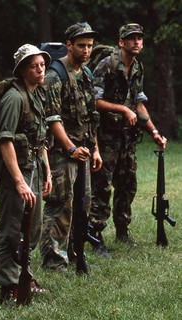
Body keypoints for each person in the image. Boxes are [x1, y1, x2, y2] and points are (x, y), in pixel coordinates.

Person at [89, 23, 167, 255]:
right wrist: (123, 110)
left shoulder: (137, 67)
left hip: (127, 138)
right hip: (105, 137)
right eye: (131, 38)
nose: (136, 42)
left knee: (127, 185)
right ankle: (95, 235)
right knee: (102, 186)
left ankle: (122, 230)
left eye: (139, 38)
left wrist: (153, 132)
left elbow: (139, 104)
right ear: (122, 42)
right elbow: (94, 101)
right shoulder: (107, 65)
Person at [39, 22, 102, 271]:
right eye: (81, 45)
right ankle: (54, 260)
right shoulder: (55, 74)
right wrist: (70, 148)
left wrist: (94, 148)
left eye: (90, 46)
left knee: (82, 205)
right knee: (60, 204)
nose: (86, 50)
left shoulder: (85, 74)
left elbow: (90, 116)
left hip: (83, 150)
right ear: (69, 45)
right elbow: (51, 118)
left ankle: (75, 252)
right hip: (61, 151)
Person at [0, 44, 52, 302]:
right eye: (34, 65)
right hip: (16, 172)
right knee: (12, 230)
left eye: (42, 64)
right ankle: (9, 285)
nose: (40, 70)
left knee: (33, 228)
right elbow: (4, 140)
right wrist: (19, 182)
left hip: (35, 169)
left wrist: (48, 173)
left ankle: (23, 277)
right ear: (22, 70)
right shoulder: (14, 98)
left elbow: (40, 140)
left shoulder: (37, 94)